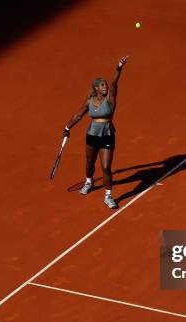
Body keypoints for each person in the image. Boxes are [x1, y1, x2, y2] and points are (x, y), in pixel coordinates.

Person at [63, 56, 130, 209]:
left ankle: (108, 196)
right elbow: (78, 115)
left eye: (105, 84)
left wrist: (119, 67)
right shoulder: (89, 102)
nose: (105, 86)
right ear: (96, 88)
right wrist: (67, 128)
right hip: (92, 135)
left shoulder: (111, 99)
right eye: (102, 85)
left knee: (106, 167)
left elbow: (114, 83)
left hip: (107, 135)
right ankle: (89, 182)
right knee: (89, 162)